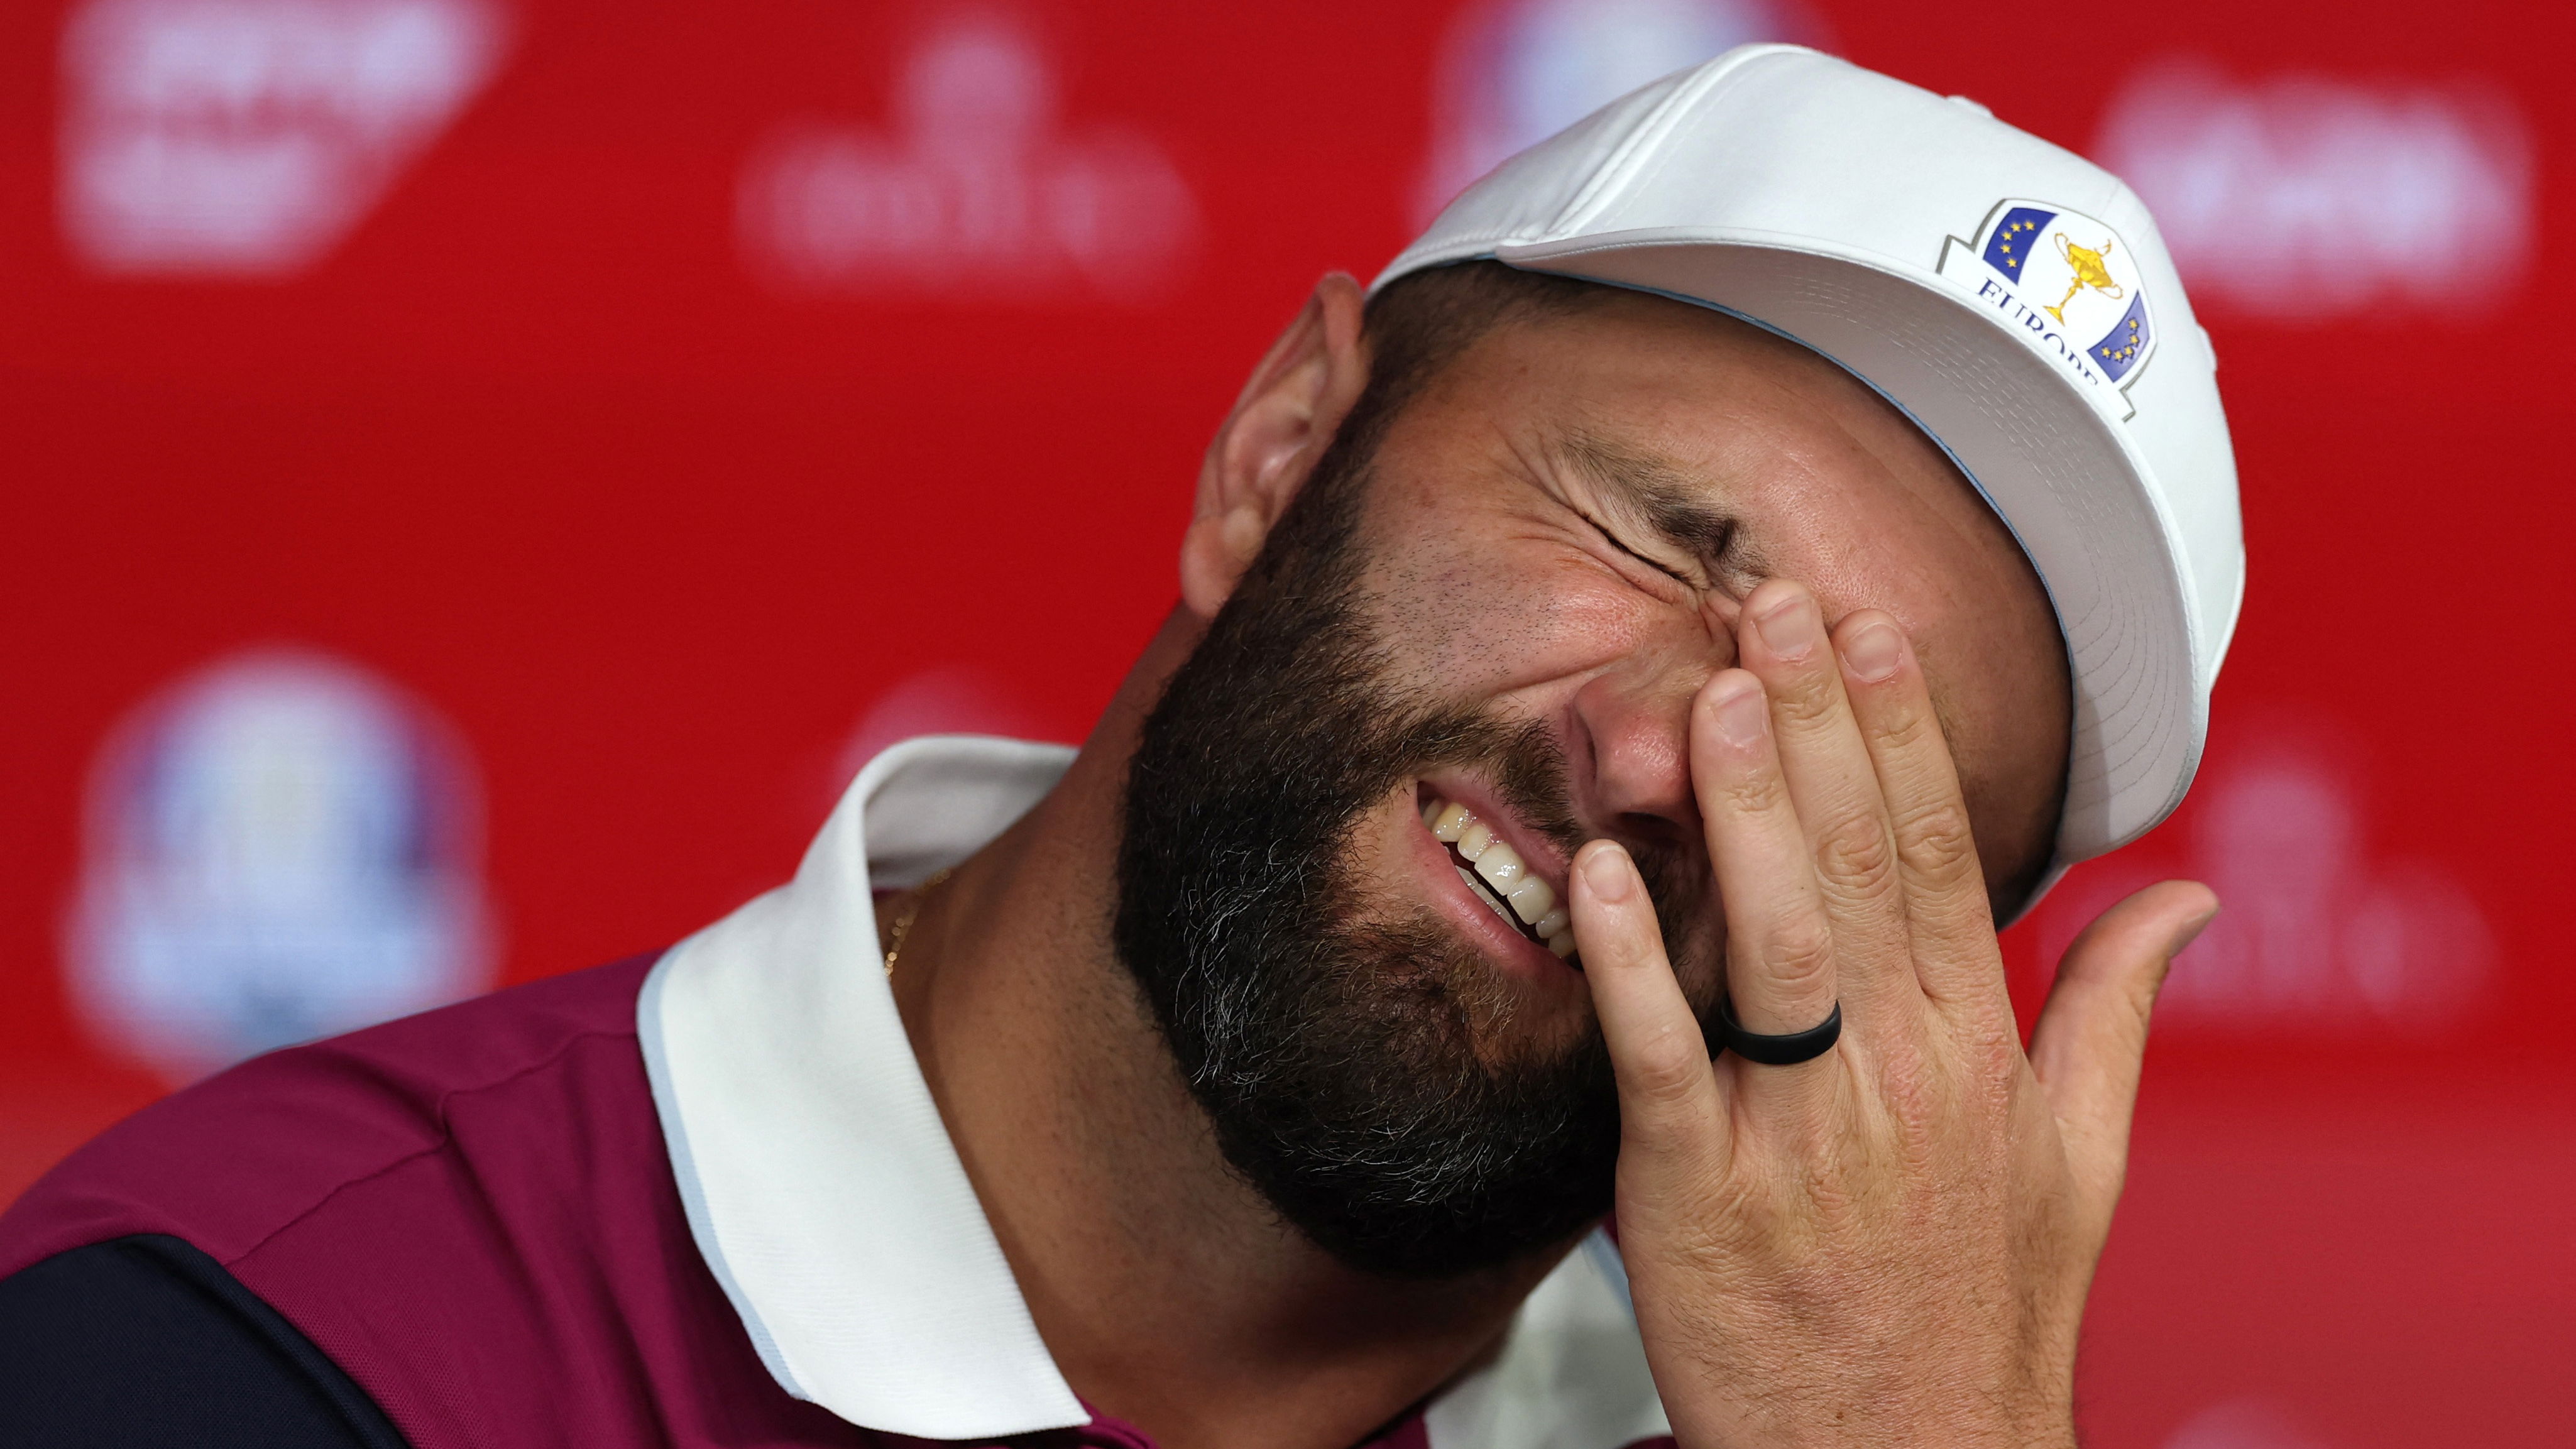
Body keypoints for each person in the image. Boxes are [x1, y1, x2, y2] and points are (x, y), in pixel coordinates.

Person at [0, 45, 2240, 1449]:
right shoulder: (284, 1342)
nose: (1673, 758)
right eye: (1651, 538)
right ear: (1282, 447)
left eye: (1867, 758)